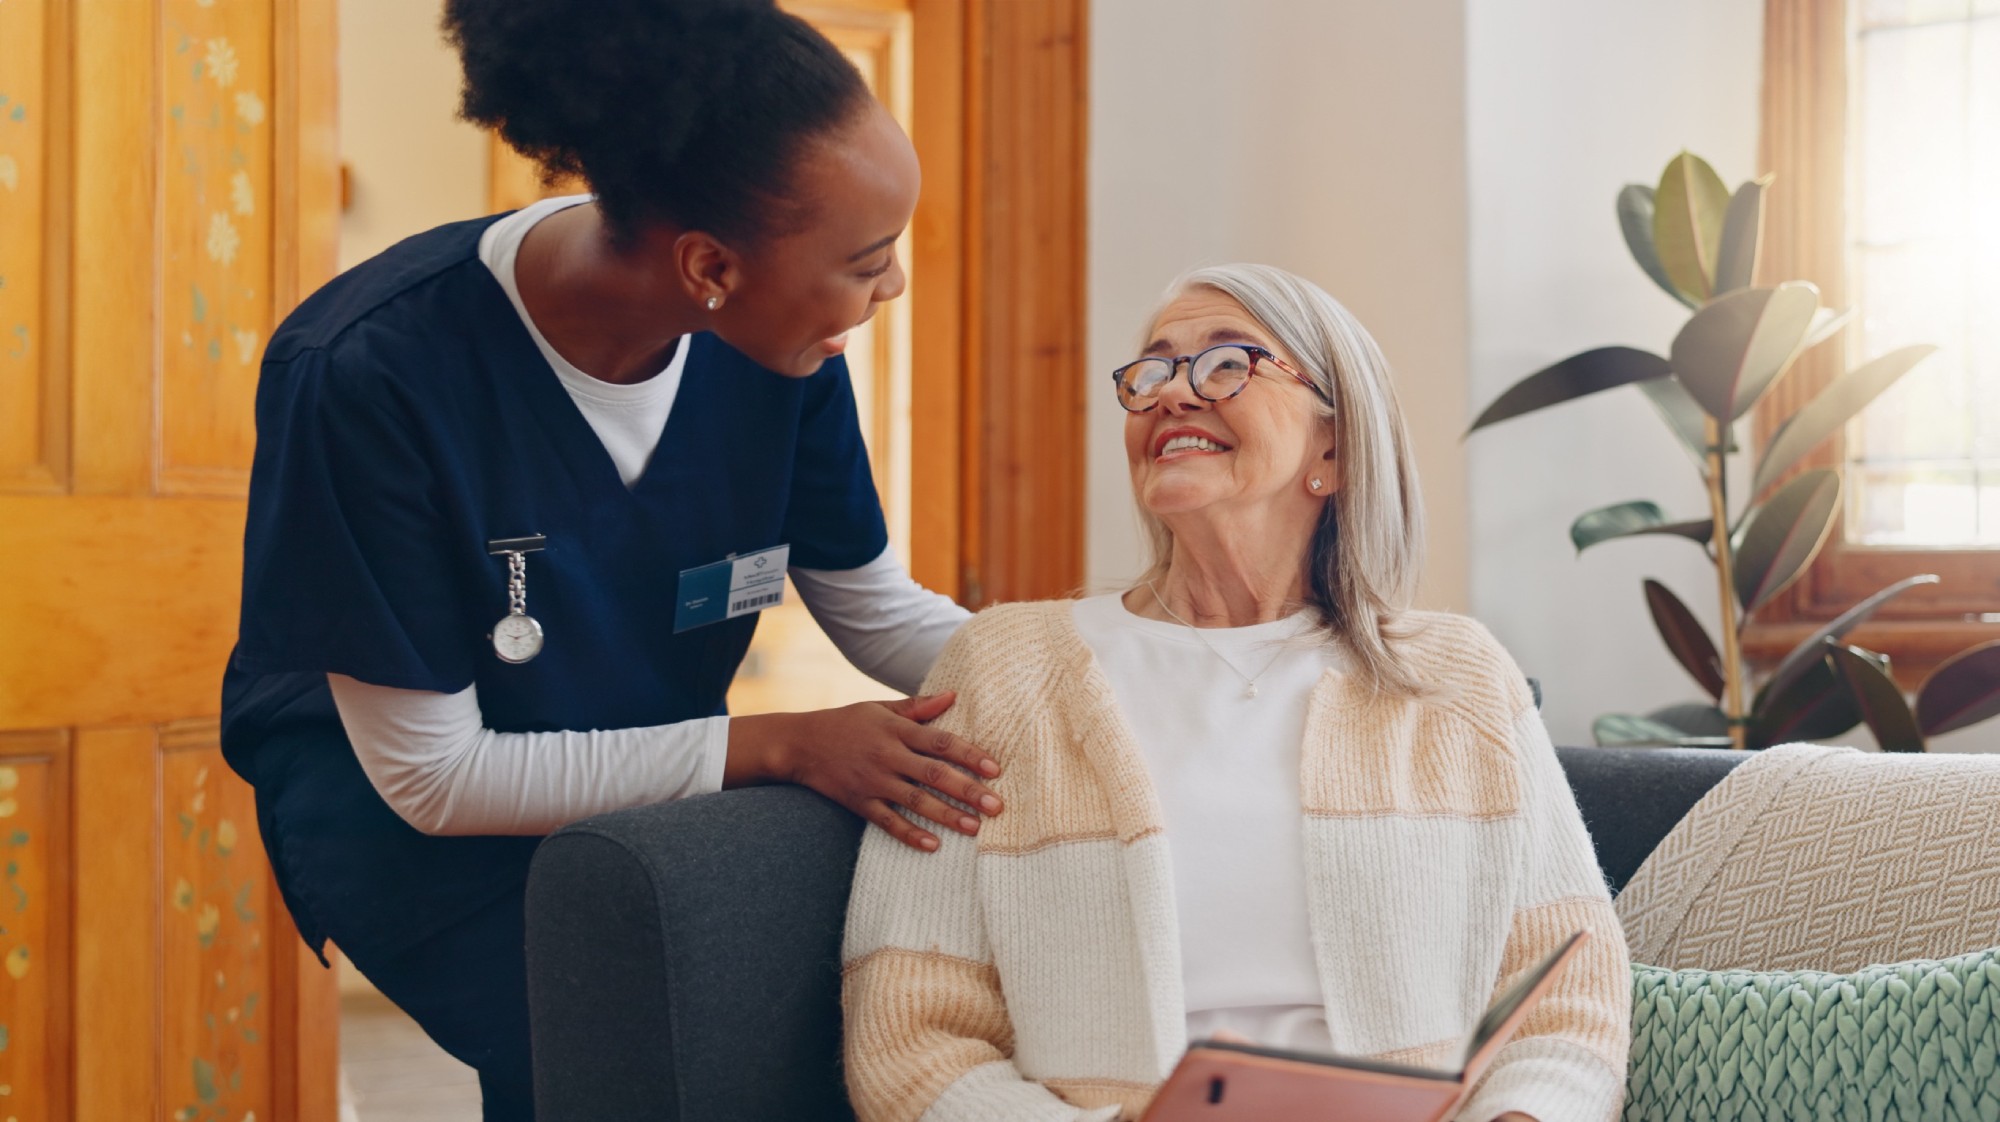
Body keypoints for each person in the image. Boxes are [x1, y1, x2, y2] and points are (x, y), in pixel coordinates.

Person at [219, 2, 1007, 1118]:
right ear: (710, 266)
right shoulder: (371, 371)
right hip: (414, 819)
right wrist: (781, 744)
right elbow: (436, 778)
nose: (893, 290)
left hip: (633, 765)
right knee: (630, 1062)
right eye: (867, 262)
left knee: (741, 1050)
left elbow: (873, 609)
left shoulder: (777, 347)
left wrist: (1082, 662)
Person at [841, 264, 1631, 1122]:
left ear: (1333, 444)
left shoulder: (1458, 676)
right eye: (1151, 371)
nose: (1171, 395)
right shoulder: (1004, 667)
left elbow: (1570, 996)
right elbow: (910, 1033)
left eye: (1225, 365)